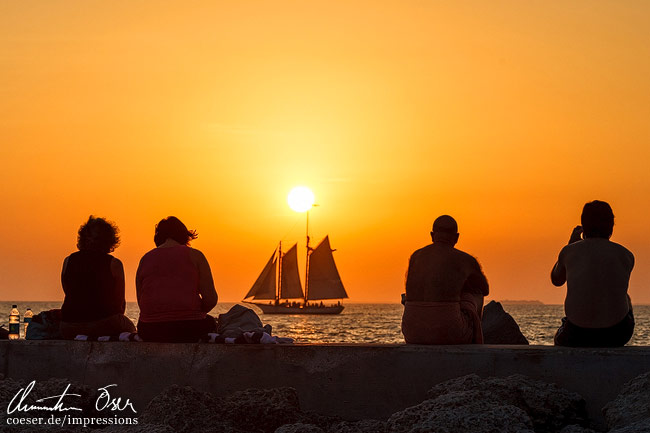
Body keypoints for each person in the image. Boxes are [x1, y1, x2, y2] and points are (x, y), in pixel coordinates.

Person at [551, 200, 635, 347]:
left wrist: (570, 245)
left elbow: (556, 280)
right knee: (626, 297)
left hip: (577, 334)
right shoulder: (626, 255)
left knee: (560, 336)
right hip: (616, 335)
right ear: (611, 227)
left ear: (584, 226)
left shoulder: (569, 251)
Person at [401, 215, 489, 344]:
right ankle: (476, 345)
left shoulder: (416, 256)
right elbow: (484, 290)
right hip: (449, 332)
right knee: (475, 295)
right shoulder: (465, 260)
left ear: (432, 235)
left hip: (412, 333)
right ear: (457, 237)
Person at [136, 216, 218, 342]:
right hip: (189, 327)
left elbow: (141, 301)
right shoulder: (195, 256)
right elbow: (211, 299)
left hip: (149, 329)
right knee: (213, 322)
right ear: (184, 235)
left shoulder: (145, 259)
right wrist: (194, 312)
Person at [60, 216, 136, 339]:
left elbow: (67, 290)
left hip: (68, 326)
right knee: (130, 328)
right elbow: (120, 302)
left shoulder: (68, 261)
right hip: (103, 323)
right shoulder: (114, 264)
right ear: (110, 240)